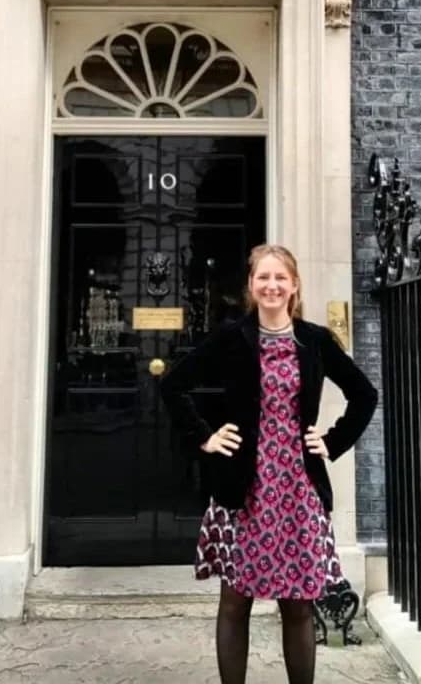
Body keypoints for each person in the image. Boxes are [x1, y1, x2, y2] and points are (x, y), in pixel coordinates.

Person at [160, 244, 378, 684]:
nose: (272, 285)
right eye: (264, 278)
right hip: (244, 487)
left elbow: (364, 394)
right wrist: (205, 436)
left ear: (294, 286)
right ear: (252, 286)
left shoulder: (314, 340)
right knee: (235, 601)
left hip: (297, 488)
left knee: (297, 604)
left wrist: (330, 442)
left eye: (281, 278)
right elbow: (174, 384)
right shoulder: (231, 337)